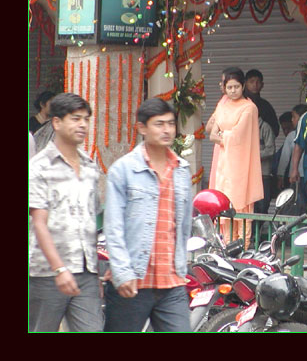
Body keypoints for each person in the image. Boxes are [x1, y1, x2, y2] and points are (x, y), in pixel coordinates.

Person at [104, 98, 193, 332]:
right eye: (159, 124)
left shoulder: (182, 170)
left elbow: (184, 225)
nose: (167, 130)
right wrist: (122, 272)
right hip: (133, 280)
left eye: (171, 124)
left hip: (171, 282)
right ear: (142, 128)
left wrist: (182, 264)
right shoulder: (123, 170)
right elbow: (113, 227)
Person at [29, 93, 103, 332]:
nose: (82, 125)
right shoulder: (40, 166)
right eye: (75, 118)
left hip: (85, 272)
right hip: (47, 273)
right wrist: (59, 269)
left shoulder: (90, 166)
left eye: (86, 119)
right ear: (57, 122)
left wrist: (95, 272)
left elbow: (91, 221)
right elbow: (39, 223)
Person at [210, 68, 263, 247]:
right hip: (223, 164)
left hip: (241, 164)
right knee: (224, 208)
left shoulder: (249, 108)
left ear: (243, 86)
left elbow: (238, 136)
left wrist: (222, 135)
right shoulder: (222, 105)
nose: (233, 91)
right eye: (229, 87)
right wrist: (225, 135)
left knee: (241, 208)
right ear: (224, 88)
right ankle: (226, 249)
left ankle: (242, 249)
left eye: (236, 87)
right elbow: (212, 132)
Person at [205, 67, 235, 189]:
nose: (220, 85)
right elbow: (208, 127)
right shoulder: (223, 101)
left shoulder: (244, 104)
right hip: (220, 146)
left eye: (223, 81)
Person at [244, 69, 279, 138]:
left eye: (258, 82)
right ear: (245, 84)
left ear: (262, 85)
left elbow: (275, 129)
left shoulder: (265, 106)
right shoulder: (240, 103)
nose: (255, 85)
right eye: (251, 82)